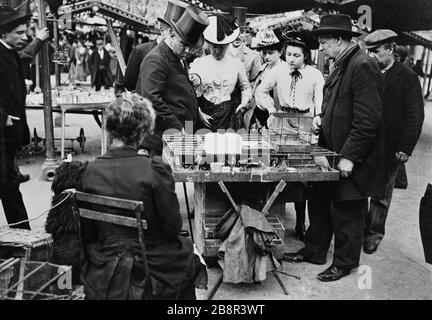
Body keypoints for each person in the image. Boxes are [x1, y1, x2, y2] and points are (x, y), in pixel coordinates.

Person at [283, 14, 386, 282]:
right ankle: (315, 250)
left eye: (326, 42)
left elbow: (368, 119)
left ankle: (345, 261)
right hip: (330, 150)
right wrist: (322, 119)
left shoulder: (361, 65)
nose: (323, 48)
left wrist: (350, 157)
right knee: (320, 202)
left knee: (347, 208)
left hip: (350, 155)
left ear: (340, 40)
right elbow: (336, 103)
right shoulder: (342, 62)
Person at [80, 94, 206, 299]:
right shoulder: (154, 169)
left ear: (110, 129)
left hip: (105, 265)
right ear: (143, 131)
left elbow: (90, 232)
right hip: (151, 266)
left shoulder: (90, 171)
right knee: (186, 252)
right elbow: (172, 227)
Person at [254, 29, 324, 241]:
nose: (291, 59)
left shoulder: (315, 75)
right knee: (280, 168)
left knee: (302, 174)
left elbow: (319, 102)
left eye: (297, 55)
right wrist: (271, 109)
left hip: (305, 125)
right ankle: (274, 217)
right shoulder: (278, 71)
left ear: (306, 56)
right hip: (282, 122)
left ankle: (301, 220)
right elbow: (261, 91)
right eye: (289, 54)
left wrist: (317, 118)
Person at [363, 29, 424, 254]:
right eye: (369, 52)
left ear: (390, 49)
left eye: (376, 52)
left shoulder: (407, 77)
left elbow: (415, 115)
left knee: (382, 193)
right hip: (365, 143)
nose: (372, 56)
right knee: (360, 189)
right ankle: (360, 228)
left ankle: (374, 233)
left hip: (391, 147)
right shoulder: (366, 71)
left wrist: (405, 148)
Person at [137, 5, 210, 156]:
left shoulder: (177, 56)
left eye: (189, 46)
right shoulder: (155, 60)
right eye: (183, 44)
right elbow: (152, 100)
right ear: (170, 33)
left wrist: (196, 111)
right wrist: (178, 129)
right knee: (163, 177)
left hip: (179, 133)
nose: (187, 51)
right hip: (163, 138)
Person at [0, 6, 48, 229]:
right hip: (3, 132)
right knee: (8, 186)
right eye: (19, 33)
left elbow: (26, 55)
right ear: (3, 34)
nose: (24, 36)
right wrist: (3, 117)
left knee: (9, 185)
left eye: (24, 32)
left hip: (8, 138)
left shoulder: (9, 52)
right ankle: (22, 235)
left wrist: (37, 41)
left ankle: (22, 235)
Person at [189, 14, 252, 131]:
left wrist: (243, 103)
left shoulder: (236, 64)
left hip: (229, 115)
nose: (217, 51)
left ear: (228, 45)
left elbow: (245, 87)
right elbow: (189, 93)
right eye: (214, 47)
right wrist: (198, 112)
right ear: (208, 43)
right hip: (204, 115)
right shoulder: (198, 63)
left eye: (222, 47)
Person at [125, 0, 187, 92]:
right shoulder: (141, 50)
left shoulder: (180, 52)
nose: (176, 38)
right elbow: (129, 84)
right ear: (162, 30)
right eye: (173, 33)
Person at [248, 29, 284, 132]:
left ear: (280, 52)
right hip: (259, 111)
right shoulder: (264, 67)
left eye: (271, 53)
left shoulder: (283, 69)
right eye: (264, 53)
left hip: (274, 111)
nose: (267, 56)